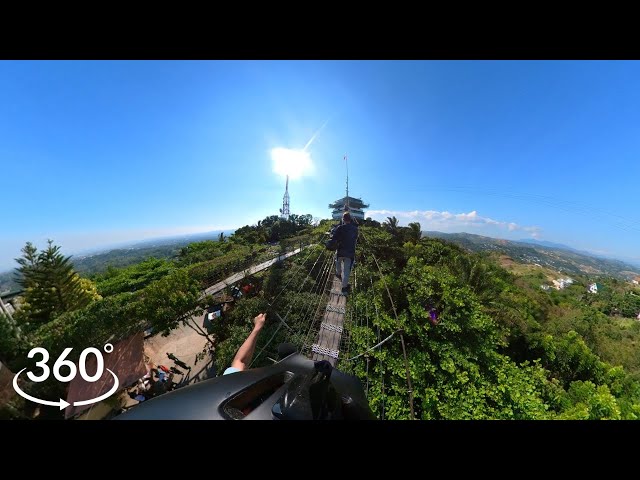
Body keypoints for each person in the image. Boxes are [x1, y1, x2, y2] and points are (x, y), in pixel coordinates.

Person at [331, 211, 358, 294]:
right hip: (350, 253)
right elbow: (356, 238)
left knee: (337, 262)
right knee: (346, 271)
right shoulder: (355, 229)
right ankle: (344, 288)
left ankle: (338, 274)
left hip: (340, 251)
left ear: (343, 219)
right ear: (350, 219)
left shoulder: (340, 228)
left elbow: (334, 238)